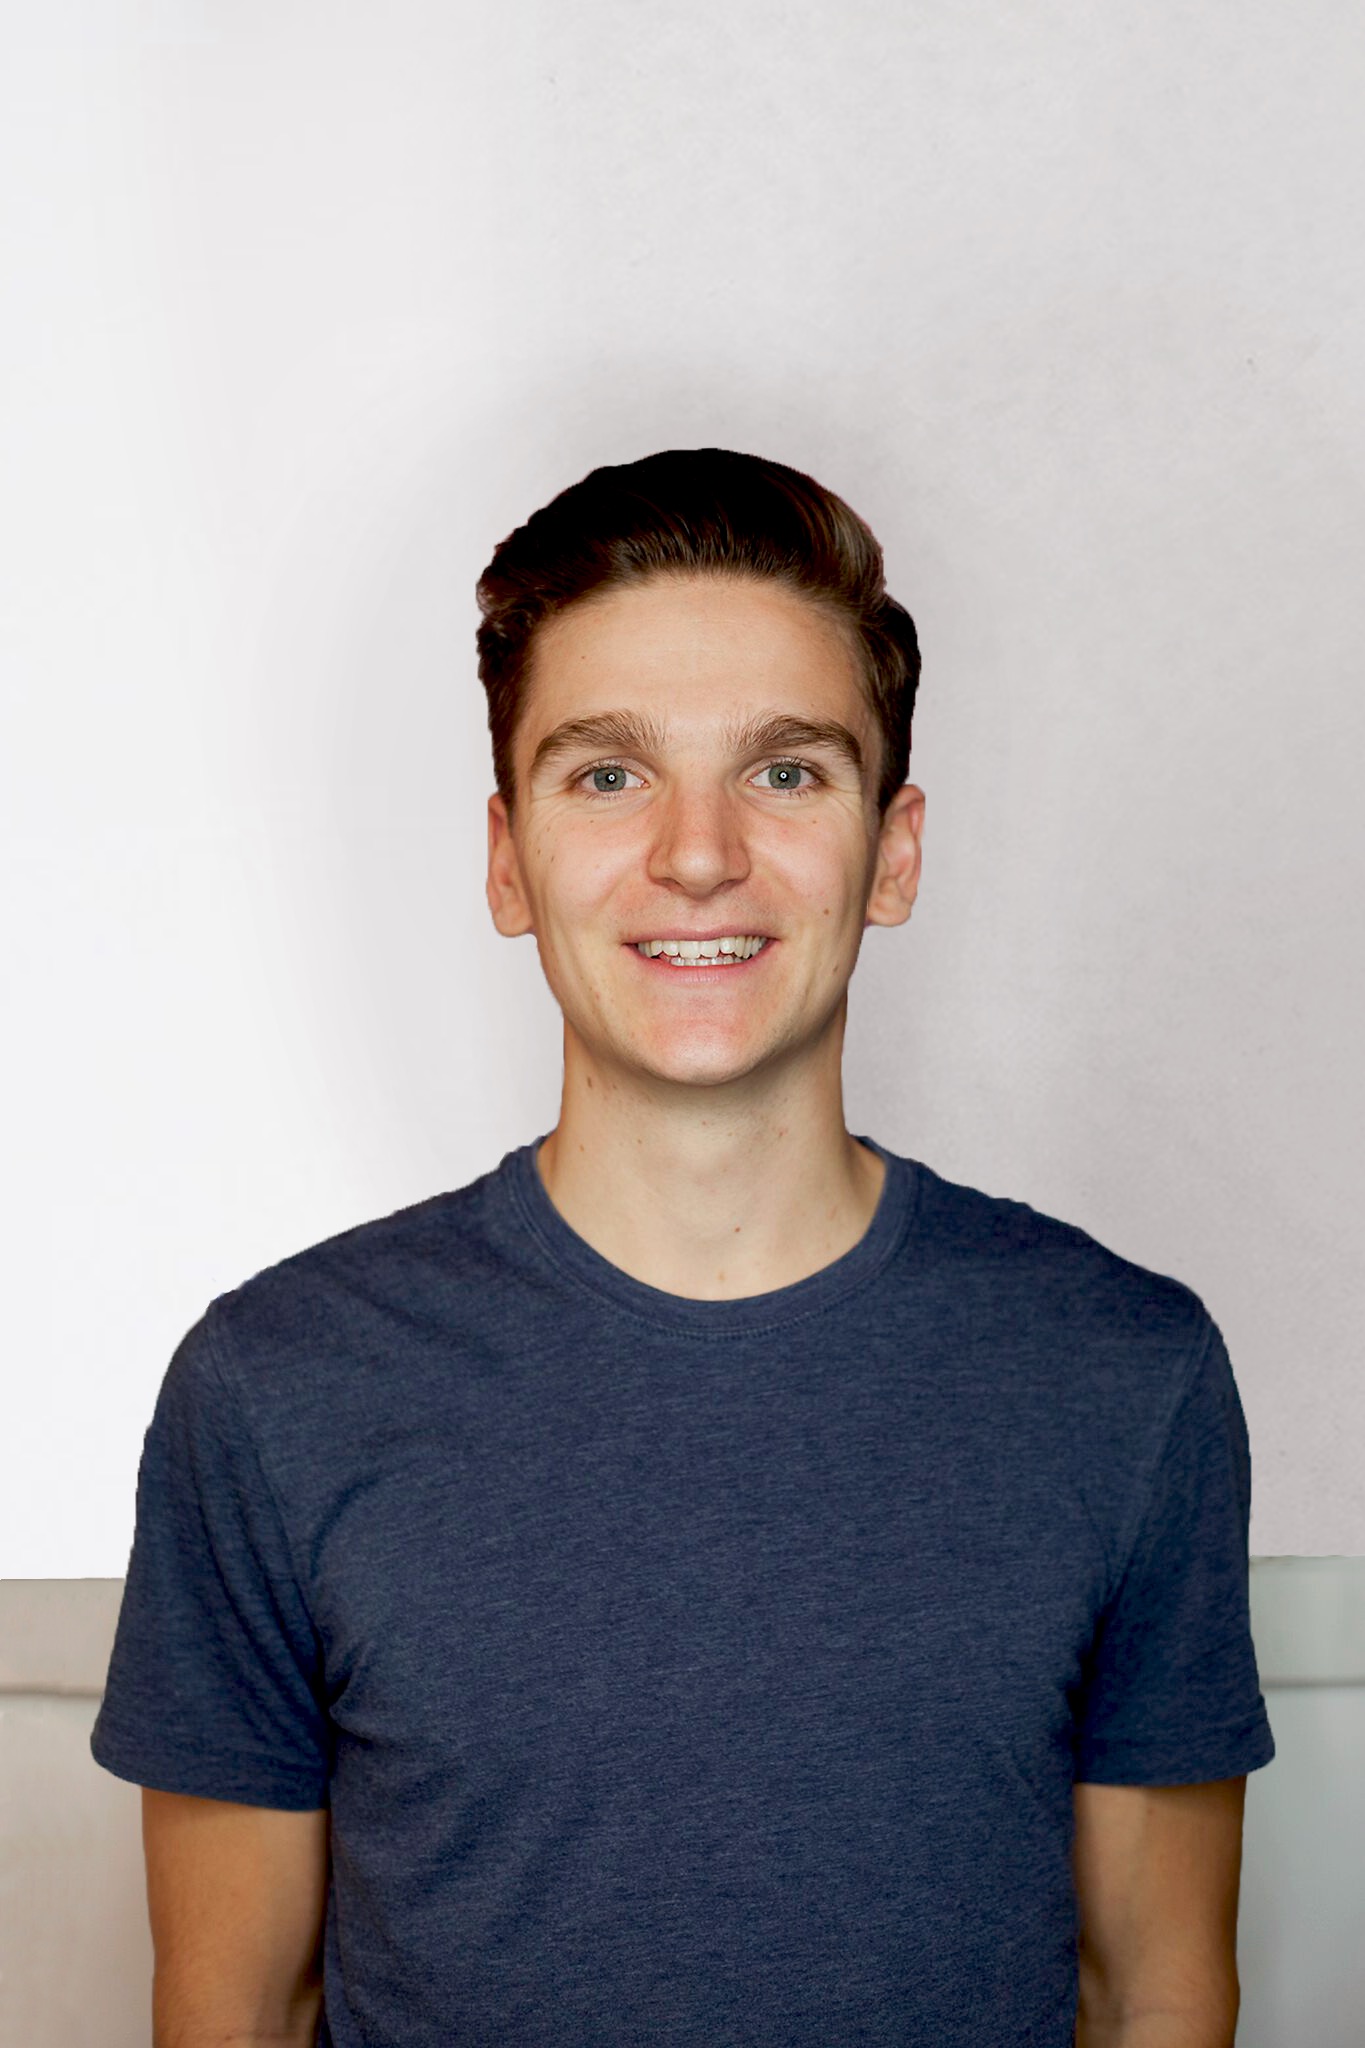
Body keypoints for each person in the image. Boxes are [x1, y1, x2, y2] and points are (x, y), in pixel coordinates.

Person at [91, 447, 1275, 2047]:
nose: (699, 852)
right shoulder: (274, 1388)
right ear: (506, 858)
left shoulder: (1126, 1374)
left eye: (785, 772)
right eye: (606, 776)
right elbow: (234, 2012)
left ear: (894, 852)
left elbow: (1156, 1994)